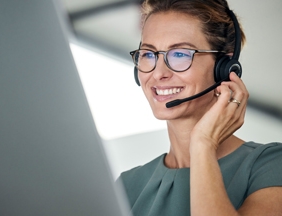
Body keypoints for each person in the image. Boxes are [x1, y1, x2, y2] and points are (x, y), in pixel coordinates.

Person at [117, 0, 282, 215]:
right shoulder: (125, 187)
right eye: (149, 54)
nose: (158, 74)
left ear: (224, 67)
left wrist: (203, 144)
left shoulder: (270, 165)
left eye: (179, 54)